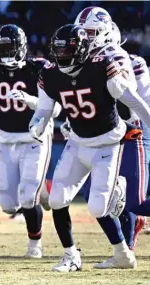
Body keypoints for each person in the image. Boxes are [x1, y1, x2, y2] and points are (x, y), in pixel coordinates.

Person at [30, 24, 150, 272]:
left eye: (67, 51)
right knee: (57, 199)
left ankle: (121, 246)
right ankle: (71, 256)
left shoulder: (101, 67)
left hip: (107, 143)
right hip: (77, 141)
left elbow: (133, 102)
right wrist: (37, 122)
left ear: (82, 50)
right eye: (58, 51)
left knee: (97, 207)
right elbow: (44, 108)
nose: (61, 57)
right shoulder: (51, 74)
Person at [0, 24, 58, 258]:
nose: (7, 54)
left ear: (22, 48)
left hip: (35, 138)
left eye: (11, 49)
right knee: (8, 203)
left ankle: (34, 245)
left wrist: (29, 99)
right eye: (3, 49)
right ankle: (45, 191)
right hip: (6, 140)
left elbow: (56, 109)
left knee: (28, 196)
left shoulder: (39, 68)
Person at [75, 7, 150, 253]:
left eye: (92, 32)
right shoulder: (80, 64)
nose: (87, 39)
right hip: (105, 135)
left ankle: (127, 242)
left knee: (132, 201)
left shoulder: (128, 61)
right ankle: (124, 249)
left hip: (135, 132)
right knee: (95, 195)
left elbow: (135, 105)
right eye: (83, 33)